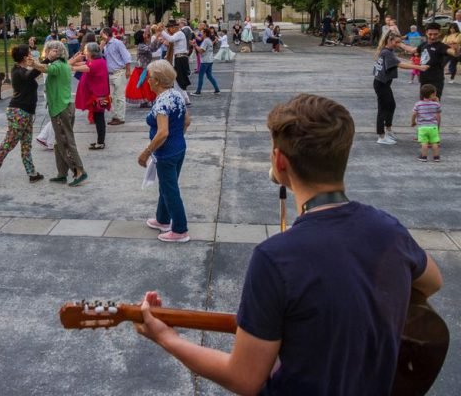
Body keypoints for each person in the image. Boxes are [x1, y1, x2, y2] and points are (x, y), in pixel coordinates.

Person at [135, 93, 443, 395]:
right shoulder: (387, 228)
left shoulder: (275, 258)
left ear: (280, 162)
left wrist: (167, 338)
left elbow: (244, 378)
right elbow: (431, 282)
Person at [137, 60, 191, 243]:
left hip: (166, 152)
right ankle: (162, 219)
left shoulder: (161, 102)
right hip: (179, 148)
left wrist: (146, 152)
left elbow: (162, 132)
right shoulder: (177, 95)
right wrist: (178, 138)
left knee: (170, 190)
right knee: (168, 186)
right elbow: (186, 121)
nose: (147, 80)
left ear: (157, 80)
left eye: (149, 77)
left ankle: (180, 229)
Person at [0, 44, 43, 186]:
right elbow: (31, 75)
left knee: (26, 145)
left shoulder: (22, 70)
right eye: (29, 54)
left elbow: (32, 73)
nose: (31, 55)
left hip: (27, 113)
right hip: (18, 113)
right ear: (24, 57)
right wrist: (47, 60)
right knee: (9, 143)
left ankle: (32, 173)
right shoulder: (17, 72)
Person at [31, 41, 87, 187]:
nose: (46, 52)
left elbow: (46, 68)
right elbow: (57, 66)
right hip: (63, 107)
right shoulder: (64, 64)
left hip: (61, 109)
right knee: (59, 143)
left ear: (54, 52)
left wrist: (35, 64)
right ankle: (62, 173)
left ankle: (79, 171)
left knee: (66, 142)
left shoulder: (57, 66)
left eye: (49, 50)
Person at [372, 31, 427, 145]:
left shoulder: (387, 50)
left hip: (384, 83)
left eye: (399, 42)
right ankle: (381, 136)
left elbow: (407, 51)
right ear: (389, 41)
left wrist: (402, 44)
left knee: (391, 105)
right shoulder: (387, 52)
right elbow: (400, 64)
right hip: (381, 84)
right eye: (396, 42)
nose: (397, 44)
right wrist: (419, 67)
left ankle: (388, 130)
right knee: (383, 108)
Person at [400, 22, 459, 100]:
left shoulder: (441, 46)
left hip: (436, 81)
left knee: (433, 106)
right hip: (424, 80)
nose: (432, 37)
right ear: (426, 33)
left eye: (435, 34)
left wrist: (457, 49)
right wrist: (399, 44)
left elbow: (454, 53)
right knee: (423, 105)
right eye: (430, 34)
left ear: (439, 33)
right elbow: (411, 50)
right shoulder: (424, 44)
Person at [74, 42, 111, 150]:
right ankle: (100, 141)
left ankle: (100, 142)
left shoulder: (95, 63)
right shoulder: (98, 61)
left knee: (99, 118)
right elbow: (81, 65)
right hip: (101, 95)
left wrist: (71, 64)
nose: (84, 52)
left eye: (86, 50)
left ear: (91, 52)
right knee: (98, 117)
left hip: (99, 96)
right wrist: (73, 62)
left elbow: (81, 68)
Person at [100, 27, 132, 126]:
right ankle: (115, 115)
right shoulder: (105, 46)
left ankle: (120, 117)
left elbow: (126, 56)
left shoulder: (117, 43)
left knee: (119, 96)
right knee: (112, 97)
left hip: (119, 72)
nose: (100, 36)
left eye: (101, 34)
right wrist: (101, 46)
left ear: (106, 34)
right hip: (110, 73)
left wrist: (128, 70)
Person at [126, 29, 156, 108]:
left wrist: (159, 40)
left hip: (145, 68)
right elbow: (151, 48)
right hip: (142, 69)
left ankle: (146, 101)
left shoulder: (144, 45)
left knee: (145, 85)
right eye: (144, 34)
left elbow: (154, 48)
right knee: (145, 85)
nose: (146, 35)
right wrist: (157, 37)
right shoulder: (141, 46)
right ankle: (146, 100)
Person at [411, 84, 441, 162]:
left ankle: (424, 157)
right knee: (434, 142)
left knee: (424, 143)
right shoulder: (436, 104)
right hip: (433, 126)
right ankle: (436, 157)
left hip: (422, 127)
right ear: (433, 94)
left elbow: (414, 114)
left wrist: (413, 122)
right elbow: (438, 113)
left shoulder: (418, 104)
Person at [159, 19, 191, 92]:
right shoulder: (178, 34)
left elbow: (171, 39)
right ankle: (183, 97)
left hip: (181, 58)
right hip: (178, 58)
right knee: (177, 78)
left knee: (180, 79)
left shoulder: (179, 33)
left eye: (169, 28)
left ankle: (183, 97)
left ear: (173, 27)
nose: (169, 30)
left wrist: (162, 31)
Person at [192, 30, 220, 95]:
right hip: (210, 60)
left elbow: (201, 51)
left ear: (205, 33)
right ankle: (217, 89)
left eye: (201, 33)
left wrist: (195, 45)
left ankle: (198, 91)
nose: (200, 34)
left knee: (201, 76)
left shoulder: (205, 41)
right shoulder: (209, 40)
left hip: (205, 61)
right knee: (209, 76)